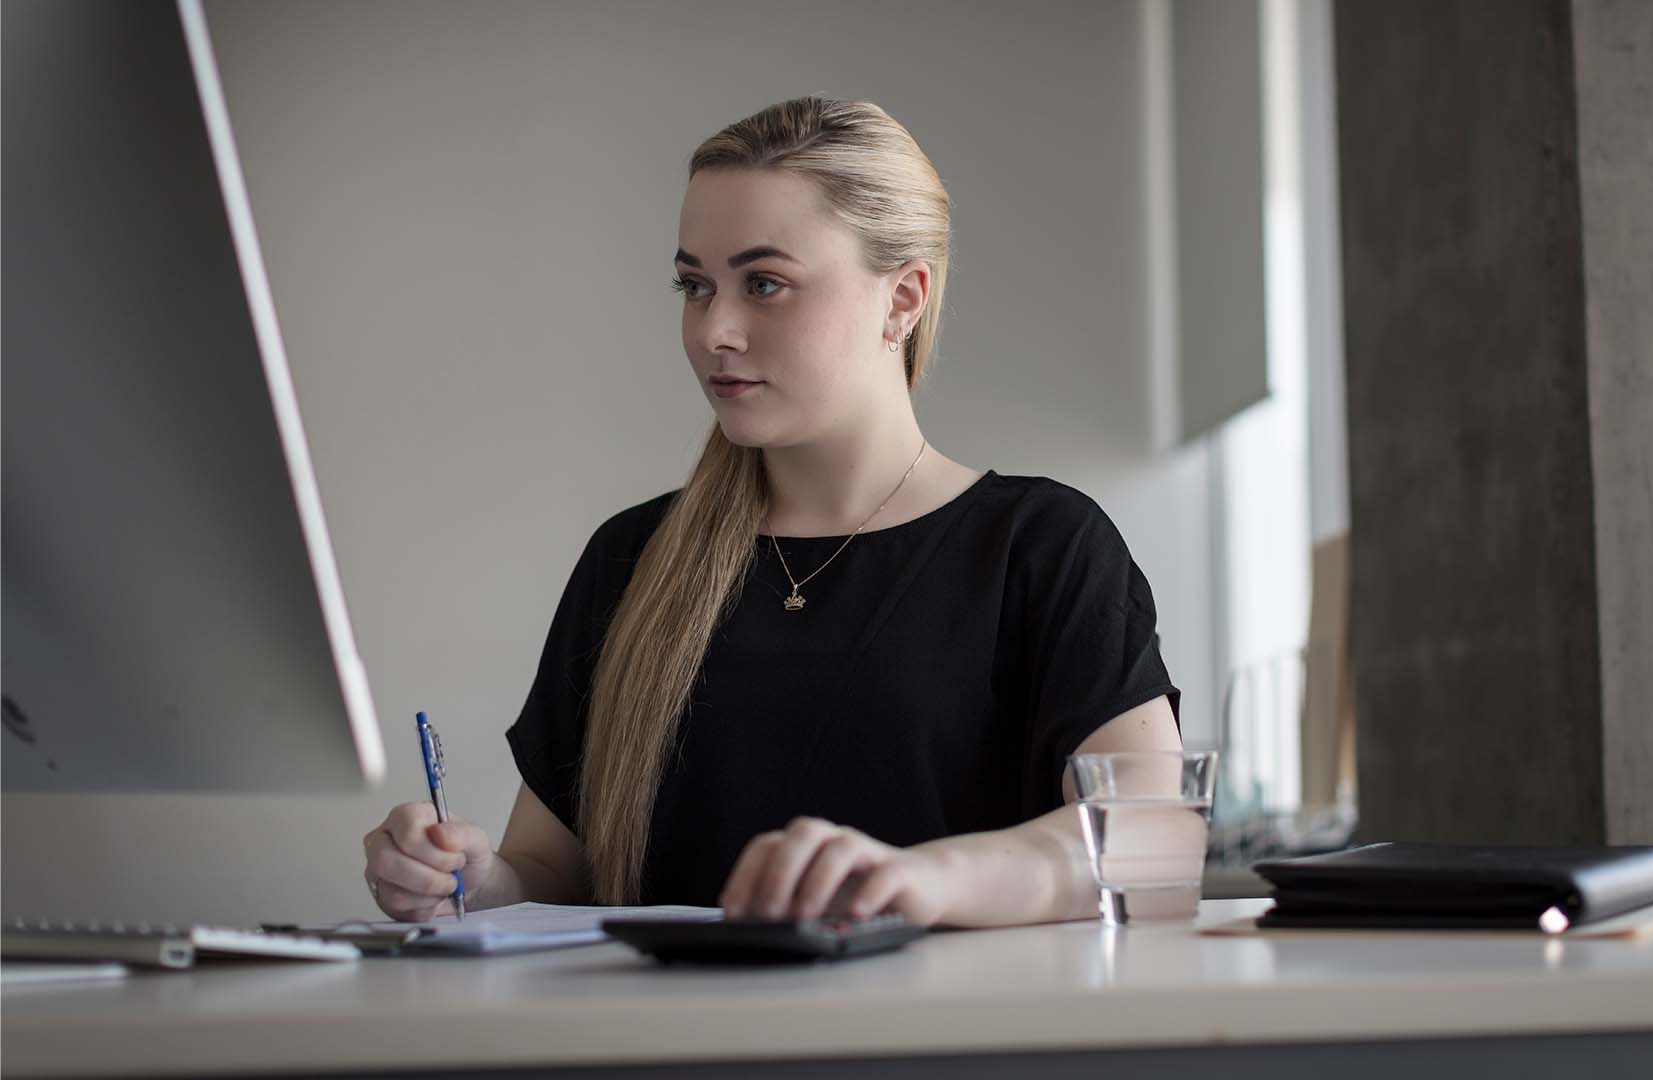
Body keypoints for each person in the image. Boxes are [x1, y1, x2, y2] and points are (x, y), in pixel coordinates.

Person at [362, 96, 1183, 929]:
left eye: (764, 284)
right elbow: (555, 876)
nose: (714, 329)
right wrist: (466, 880)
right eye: (694, 285)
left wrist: (922, 882)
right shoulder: (631, 557)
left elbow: (1153, 843)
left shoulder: (1042, 549)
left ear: (903, 299)